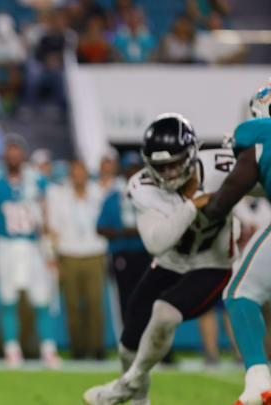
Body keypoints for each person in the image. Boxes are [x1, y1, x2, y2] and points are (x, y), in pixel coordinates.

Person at [83, 113, 237, 405]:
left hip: (213, 264)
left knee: (165, 313)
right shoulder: (142, 186)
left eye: (174, 163)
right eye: (160, 166)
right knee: (129, 341)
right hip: (170, 262)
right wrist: (192, 207)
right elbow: (156, 242)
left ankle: (125, 385)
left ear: (191, 154)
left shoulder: (222, 166)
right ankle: (140, 399)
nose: (167, 173)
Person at [199, 82, 271, 405]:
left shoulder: (257, 131)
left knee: (239, 293)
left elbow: (235, 186)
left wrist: (207, 214)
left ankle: (258, 379)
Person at [0, 140, 60, 369]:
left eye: (16, 154)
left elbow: (46, 220)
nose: (13, 158)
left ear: (23, 157)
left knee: (42, 299)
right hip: (6, 246)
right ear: (4, 158)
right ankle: (13, 349)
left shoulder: (37, 183)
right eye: (9, 154)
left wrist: (50, 252)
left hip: (33, 247)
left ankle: (48, 349)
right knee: (8, 300)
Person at [47, 160, 108, 360]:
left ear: (87, 175)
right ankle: (78, 349)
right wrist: (54, 254)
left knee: (94, 303)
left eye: (81, 173)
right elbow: (53, 226)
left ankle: (97, 347)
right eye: (75, 173)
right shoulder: (59, 195)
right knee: (72, 304)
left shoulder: (98, 193)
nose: (78, 177)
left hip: (94, 252)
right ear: (70, 175)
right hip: (69, 253)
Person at [96, 152, 151, 337]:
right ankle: (129, 342)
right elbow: (100, 227)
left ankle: (153, 345)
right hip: (122, 253)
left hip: (145, 252)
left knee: (148, 298)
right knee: (125, 299)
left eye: (136, 169)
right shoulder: (114, 197)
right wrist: (122, 233)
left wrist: (141, 230)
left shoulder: (150, 195)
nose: (132, 173)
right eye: (130, 169)